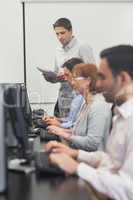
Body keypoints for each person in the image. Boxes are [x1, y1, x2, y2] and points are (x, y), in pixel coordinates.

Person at [46, 45, 133, 200]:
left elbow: (128, 190)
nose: (97, 84)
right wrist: (75, 154)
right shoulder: (121, 116)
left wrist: (77, 168)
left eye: (103, 78)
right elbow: (110, 161)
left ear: (123, 79)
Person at [47, 63, 111, 151]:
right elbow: (78, 132)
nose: (72, 82)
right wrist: (59, 131)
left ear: (88, 81)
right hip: (81, 154)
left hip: (91, 160)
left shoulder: (98, 106)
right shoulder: (85, 104)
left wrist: (64, 134)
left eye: (75, 78)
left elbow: (91, 144)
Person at [43, 18, 95, 118]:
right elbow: (57, 73)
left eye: (62, 33)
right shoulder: (58, 51)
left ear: (71, 31)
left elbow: (92, 73)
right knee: (63, 127)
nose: (59, 37)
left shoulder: (83, 47)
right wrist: (52, 78)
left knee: (76, 129)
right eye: (57, 34)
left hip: (79, 98)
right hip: (63, 98)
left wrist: (73, 76)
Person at [43, 58, 84, 129]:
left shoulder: (84, 98)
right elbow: (71, 120)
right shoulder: (77, 96)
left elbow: (77, 128)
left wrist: (59, 125)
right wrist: (57, 120)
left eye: (67, 75)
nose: (65, 79)